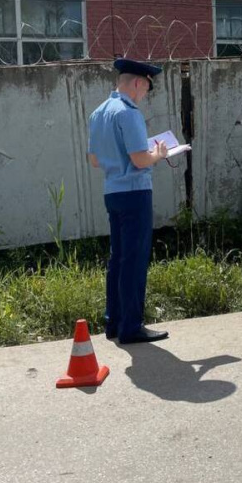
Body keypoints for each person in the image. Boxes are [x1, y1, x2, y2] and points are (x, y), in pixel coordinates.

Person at [87, 58, 170, 344]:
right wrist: (159, 154)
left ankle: (114, 322)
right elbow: (139, 159)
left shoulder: (98, 113)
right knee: (134, 260)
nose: (145, 94)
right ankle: (131, 326)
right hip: (135, 193)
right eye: (146, 88)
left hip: (112, 192)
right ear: (137, 83)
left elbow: (95, 160)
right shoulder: (129, 112)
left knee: (118, 259)